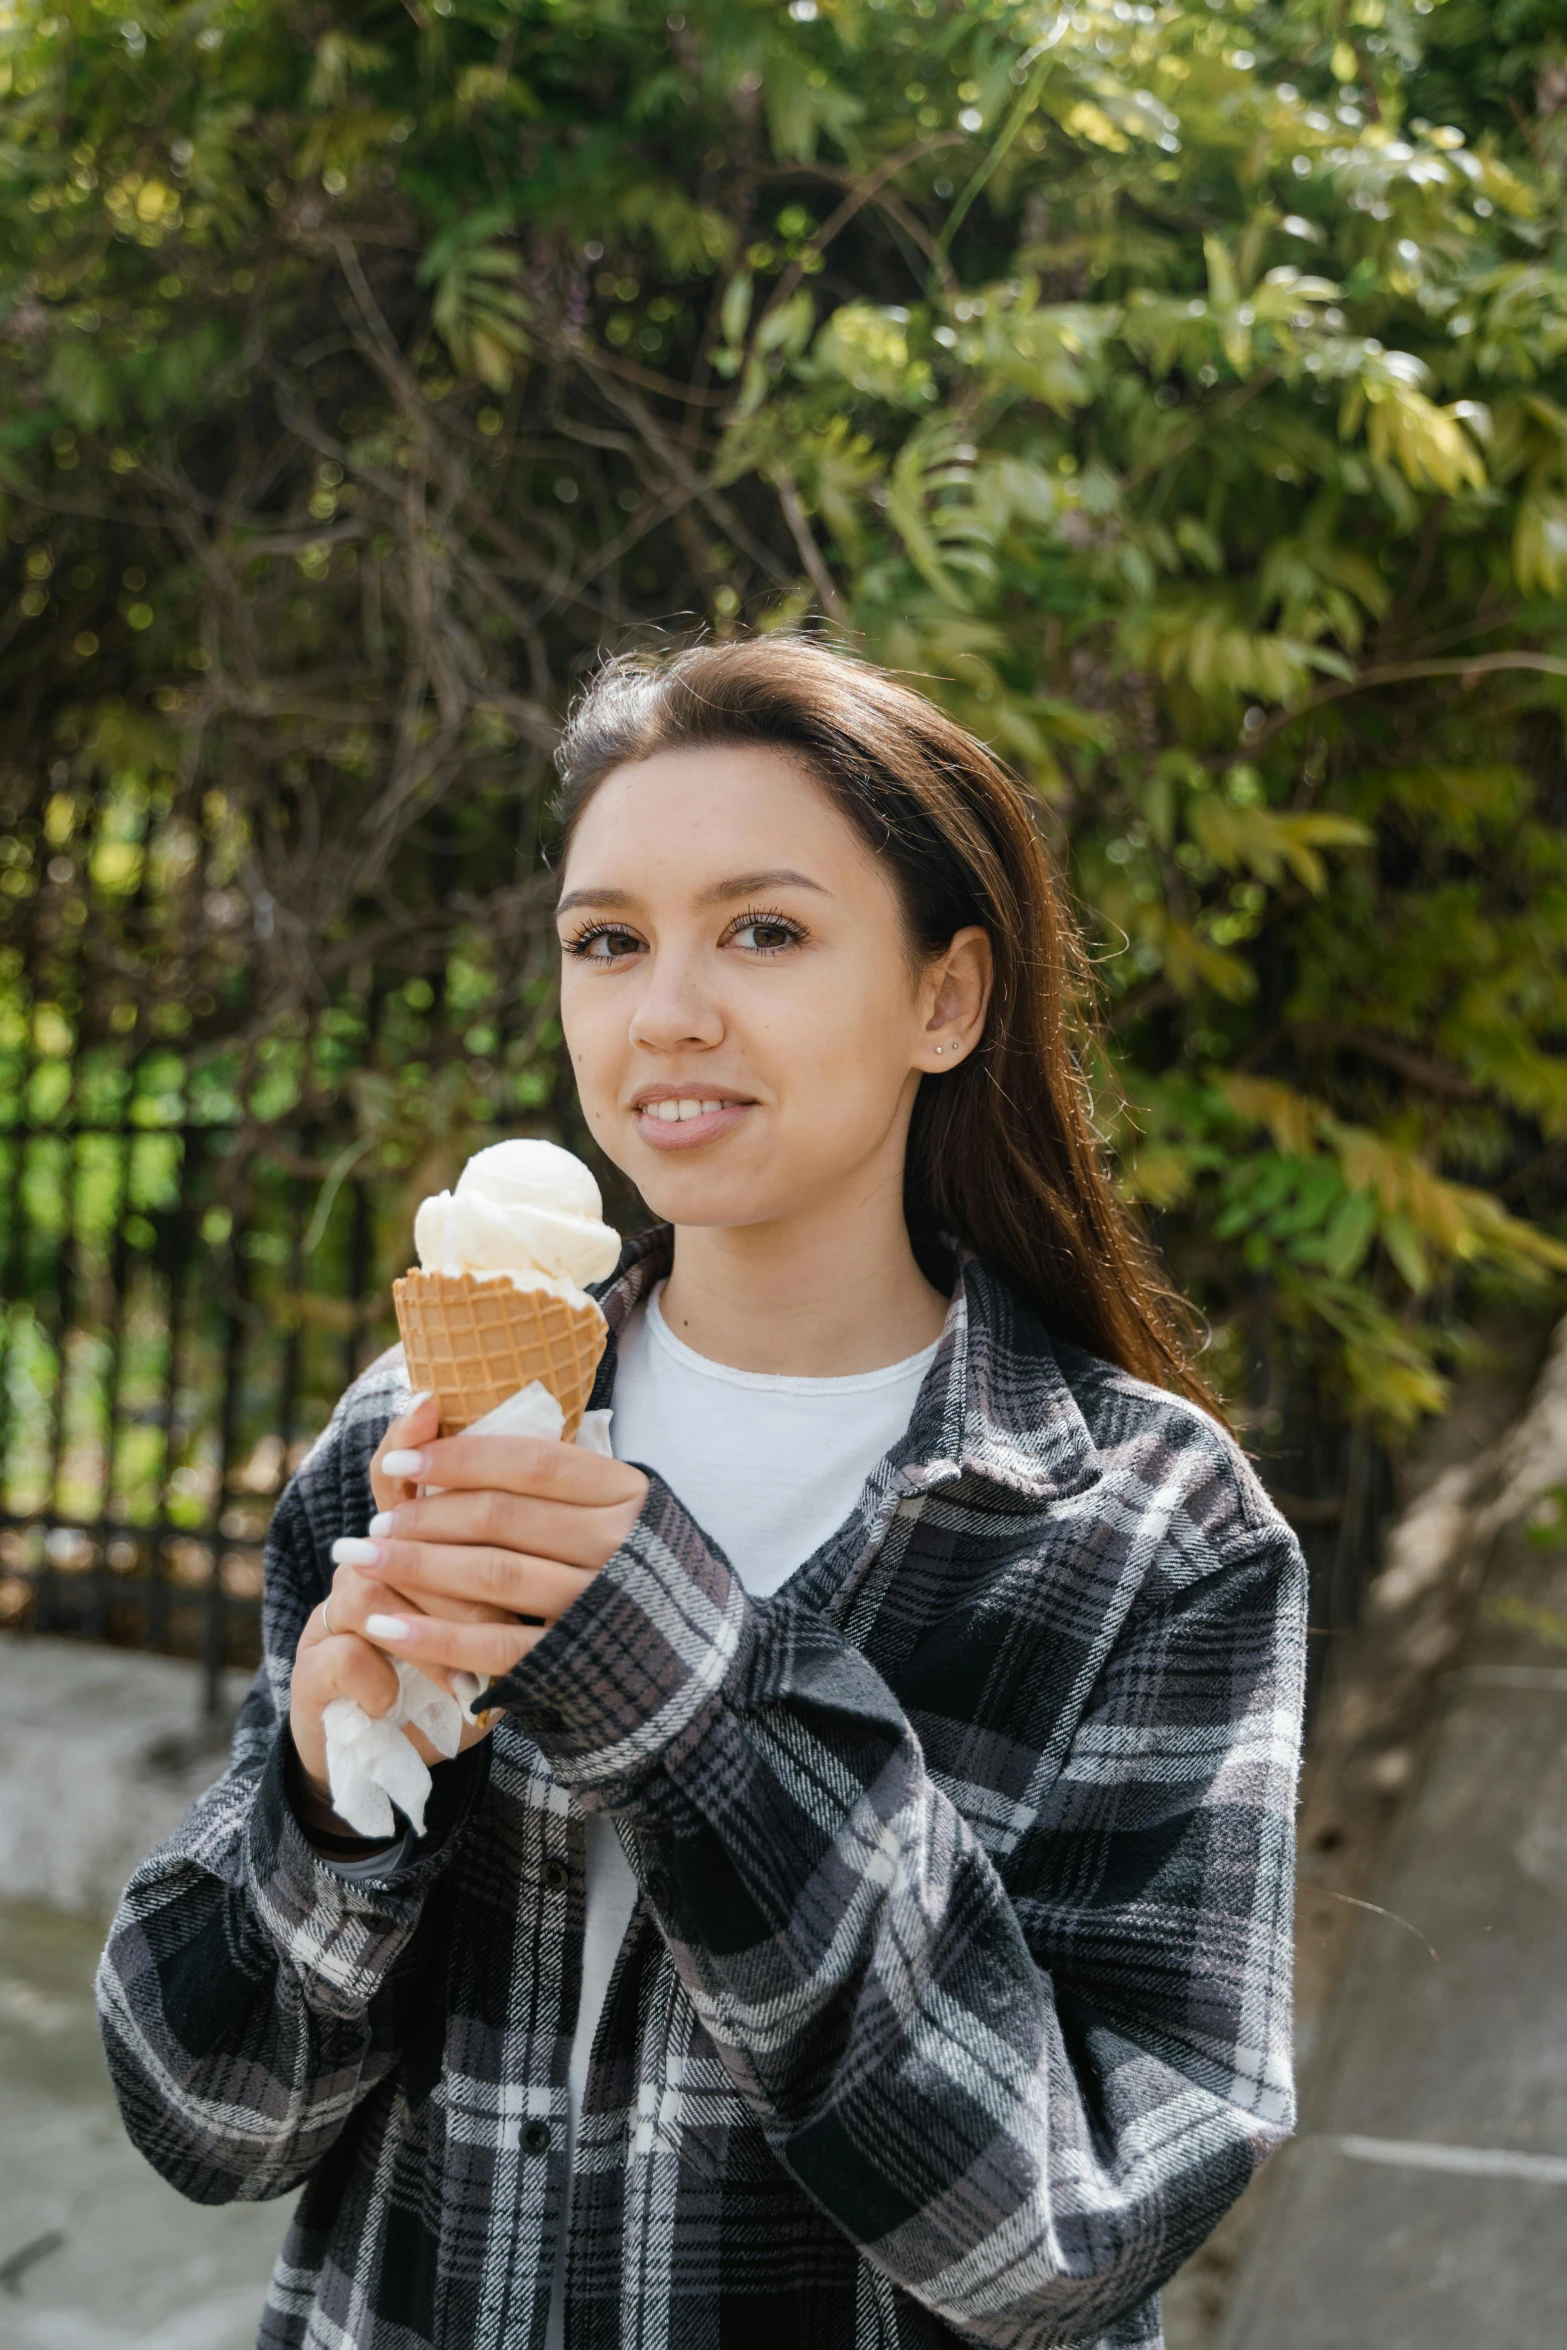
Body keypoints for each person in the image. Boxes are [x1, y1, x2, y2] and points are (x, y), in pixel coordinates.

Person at [97, 637, 1306, 2350]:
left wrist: (679, 1689)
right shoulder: (418, 1431)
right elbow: (206, 2116)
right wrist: (328, 1796)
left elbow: (1066, 2233)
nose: (665, 1008)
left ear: (946, 998)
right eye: (608, 940)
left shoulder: (1147, 1530)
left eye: (764, 930)